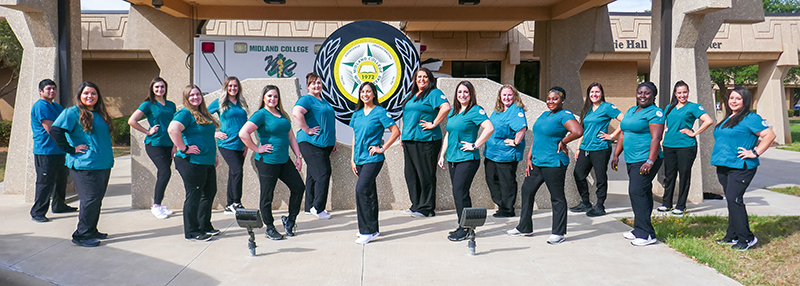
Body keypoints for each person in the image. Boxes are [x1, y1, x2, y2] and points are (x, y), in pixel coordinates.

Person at [508, 86, 583, 245]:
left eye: (555, 99)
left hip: (554, 163)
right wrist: (529, 155)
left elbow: (577, 131)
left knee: (556, 197)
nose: (551, 101)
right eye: (549, 98)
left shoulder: (564, 115)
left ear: (562, 100)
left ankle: (558, 232)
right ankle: (525, 227)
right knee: (527, 191)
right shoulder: (544, 114)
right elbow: (538, 135)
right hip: (537, 161)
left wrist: (563, 141)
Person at [50, 82, 114, 247]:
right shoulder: (72, 113)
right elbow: (55, 130)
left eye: (93, 93)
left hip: (103, 163)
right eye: (86, 93)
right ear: (79, 96)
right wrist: (70, 149)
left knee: (96, 199)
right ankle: (82, 235)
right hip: (85, 164)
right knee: (89, 199)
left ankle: (91, 229)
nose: (90, 96)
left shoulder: (100, 114)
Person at [712, 86, 775, 251]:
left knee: (735, 199)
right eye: (731, 98)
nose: (733, 101)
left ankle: (746, 238)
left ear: (745, 101)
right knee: (731, 200)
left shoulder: (751, 118)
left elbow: (769, 135)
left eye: (738, 98)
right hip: (724, 165)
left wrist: (755, 152)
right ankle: (731, 235)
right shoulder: (729, 117)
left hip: (741, 166)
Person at [239, 85, 305, 240]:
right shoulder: (260, 115)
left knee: (299, 187)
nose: (272, 99)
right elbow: (243, 133)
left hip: (284, 160)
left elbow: (291, 136)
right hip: (267, 161)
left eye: (275, 96)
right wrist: (257, 148)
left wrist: (298, 156)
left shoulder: (282, 115)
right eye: (269, 96)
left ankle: (290, 220)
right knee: (267, 195)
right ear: (263, 98)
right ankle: (269, 227)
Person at [438, 80, 494, 242]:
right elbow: (449, 134)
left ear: (471, 95)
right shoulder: (454, 112)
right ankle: (465, 225)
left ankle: (465, 228)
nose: (462, 95)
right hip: (453, 158)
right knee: (460, 193)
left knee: (459, 192)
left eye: (466, 92)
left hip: (468, 159)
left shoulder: (476, 110)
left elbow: (489, 128)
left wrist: (475, 145)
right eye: (460, 92)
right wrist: (442, 155)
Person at [611, 82, 664, 247]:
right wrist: (616, 154)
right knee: (643, 193)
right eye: (640, 92)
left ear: (653, 95)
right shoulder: (632, 111)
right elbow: (623, 133)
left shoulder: (655, 112)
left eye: (647, 93)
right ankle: (639, 229)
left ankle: (646, 234)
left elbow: (656, 138)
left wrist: (650, 160)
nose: (642, 95)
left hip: (645, 159)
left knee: (636, 192)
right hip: (632, 159)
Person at [349, 82, 401, 244]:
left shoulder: (380, 112)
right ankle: (373, 229)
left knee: (361, 190)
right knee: (369, 193)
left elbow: (396, 131)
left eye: (368, 92)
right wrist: (352, 158)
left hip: (373, 159)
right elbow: (355, 137)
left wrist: (382, 148)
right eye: (363, 92)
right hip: (359, 159)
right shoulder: (356, 114)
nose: (365, 94)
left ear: (373, 94)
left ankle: (366, 232)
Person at [168, 85, 220, 242]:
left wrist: (215, 154)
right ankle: (192, 231)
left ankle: (205, 225)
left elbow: (208, 137)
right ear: (186, 98)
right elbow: (172, 129)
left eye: (198, 94)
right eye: (191, 95)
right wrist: (184, 148)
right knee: (194, 195)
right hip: (191, 161)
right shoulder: (185, 113)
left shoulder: (203, 113)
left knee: (209, 192)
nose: (195, 97)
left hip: (207, 160)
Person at [401, 68, 451, 218]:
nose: (421, 79)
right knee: (411, 174)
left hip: (426, 140)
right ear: (415, 79)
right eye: (418, 77)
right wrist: (403, 136)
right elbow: (407, 116)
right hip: (409, 139)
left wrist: (434, 123)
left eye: (425, 77)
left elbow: (446, 107)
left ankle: (427, 208)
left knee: (425, 174)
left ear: (429, 79)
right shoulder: (411, 95)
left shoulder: (434, 93)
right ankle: (416, 205)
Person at [659, 80, 714, 215]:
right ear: (675, 94)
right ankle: (667, 204)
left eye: (685, 92)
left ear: (688, 93)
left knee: (684, 175)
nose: (682, 95)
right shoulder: (669, 108)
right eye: (679, 93)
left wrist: (694, 133)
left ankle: (680, 206)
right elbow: (664, 124)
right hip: (669, 146)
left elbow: (708, 120)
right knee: (669, 175)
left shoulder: (694, 107)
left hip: (686, 146)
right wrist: (662, 139)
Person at [570, 83, 623, 217]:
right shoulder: (587, 109)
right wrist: (577, 148)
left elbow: (625, 120)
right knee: (578, 174)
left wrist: (612, 136)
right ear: (588, 94)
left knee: (600, 177)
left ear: (601, 93)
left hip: (600, 148)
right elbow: (582, 130)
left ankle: (600, 205)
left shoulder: (607, 107)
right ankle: (585, 202)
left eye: (597, 92)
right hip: (585, 148)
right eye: (592, 92)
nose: (594, 94)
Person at [128, 77, 177, 219]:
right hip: (155, 144)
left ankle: (159, 204)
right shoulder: (148, 104)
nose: (160, 89)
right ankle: (156, 205)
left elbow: (174, 125)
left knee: (165, 174)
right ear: (152, 89)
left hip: (169, 144)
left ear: (165, 88)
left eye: (162, 87)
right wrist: (148, 131)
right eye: (157, 87)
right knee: (164, 171)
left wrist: (175, 145)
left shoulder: (171, 105)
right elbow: (132, 120)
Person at [30, 79, 77, 223]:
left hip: (60, 151)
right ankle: (38, 212)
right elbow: (52, 130)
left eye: (53, 89)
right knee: (45, 182)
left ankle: (59, 205)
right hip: (45, 151)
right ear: (40, 91)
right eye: (48, 89)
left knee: (61, 180)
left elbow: (69, 122)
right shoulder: (41, 106)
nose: (52, 91)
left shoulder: (57, 107)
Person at [293, 72, 337, 220]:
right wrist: (306, 129)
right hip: (311, 143)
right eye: (313, 83)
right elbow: (296, 112)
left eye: (318, 83)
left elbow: (327, 121)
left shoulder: (323, 101)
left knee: (313, 174)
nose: (317, 85)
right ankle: (318, 207)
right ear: (307, 86)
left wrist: (334, 139)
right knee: (324, 173)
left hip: (325, 144)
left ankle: (309, 206)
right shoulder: (307, 99)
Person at [484, 84, 527, 218]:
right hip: (492, 153)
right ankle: (501, 204)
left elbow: (522, 129)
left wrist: (515, 141)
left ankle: (508, 209)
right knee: (491, 178)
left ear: (514, 96)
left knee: (506, 182)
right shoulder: (498, 110)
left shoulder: (516, 110)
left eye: (509, 95)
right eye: (504, 95)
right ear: (500, 97)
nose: (507, 98)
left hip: (506, 154)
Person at [208, 76, 249, 214]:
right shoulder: (219, 102)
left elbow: (245, 125)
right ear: (225, 87)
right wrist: (214, 133)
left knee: (234, 174)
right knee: (237, 171)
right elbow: (203, 116)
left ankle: (229, 205)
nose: (233, 88)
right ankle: (237, 203)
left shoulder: (241, 103)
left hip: (240, 144)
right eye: (230, 86)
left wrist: (247, 144)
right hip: (226, 144)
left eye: (235, 86)